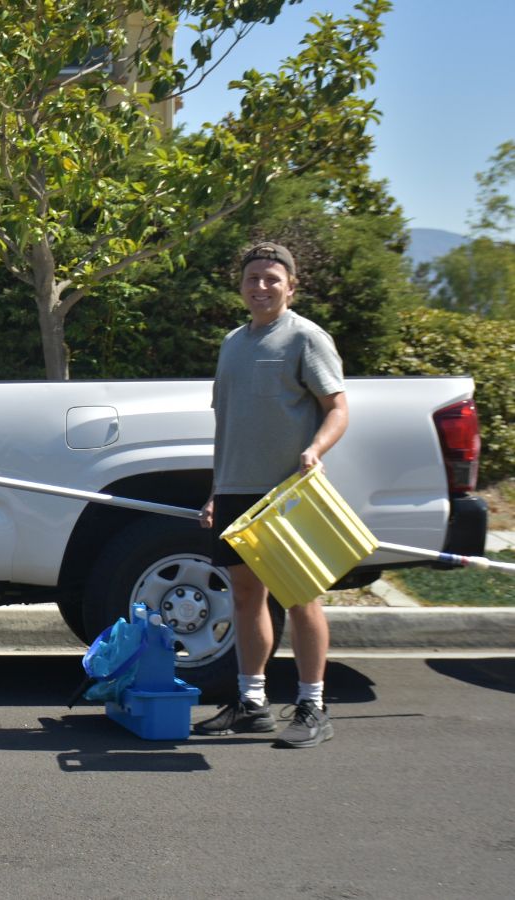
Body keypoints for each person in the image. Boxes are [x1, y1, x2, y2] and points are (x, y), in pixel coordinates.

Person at [194, 241, 348, 749]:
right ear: (240, 286)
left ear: (291, 286)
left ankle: (312, 705)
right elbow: (227, 425)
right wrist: (217, 490)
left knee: (300, 597)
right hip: (236, 490)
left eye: (271, 279)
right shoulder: (233, 342)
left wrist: (315, 450)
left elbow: (337, 409)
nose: (261, 287)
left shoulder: (306, 338)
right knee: (244, 596)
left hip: (288, 492)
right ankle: (252, 702)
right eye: (252, 278)